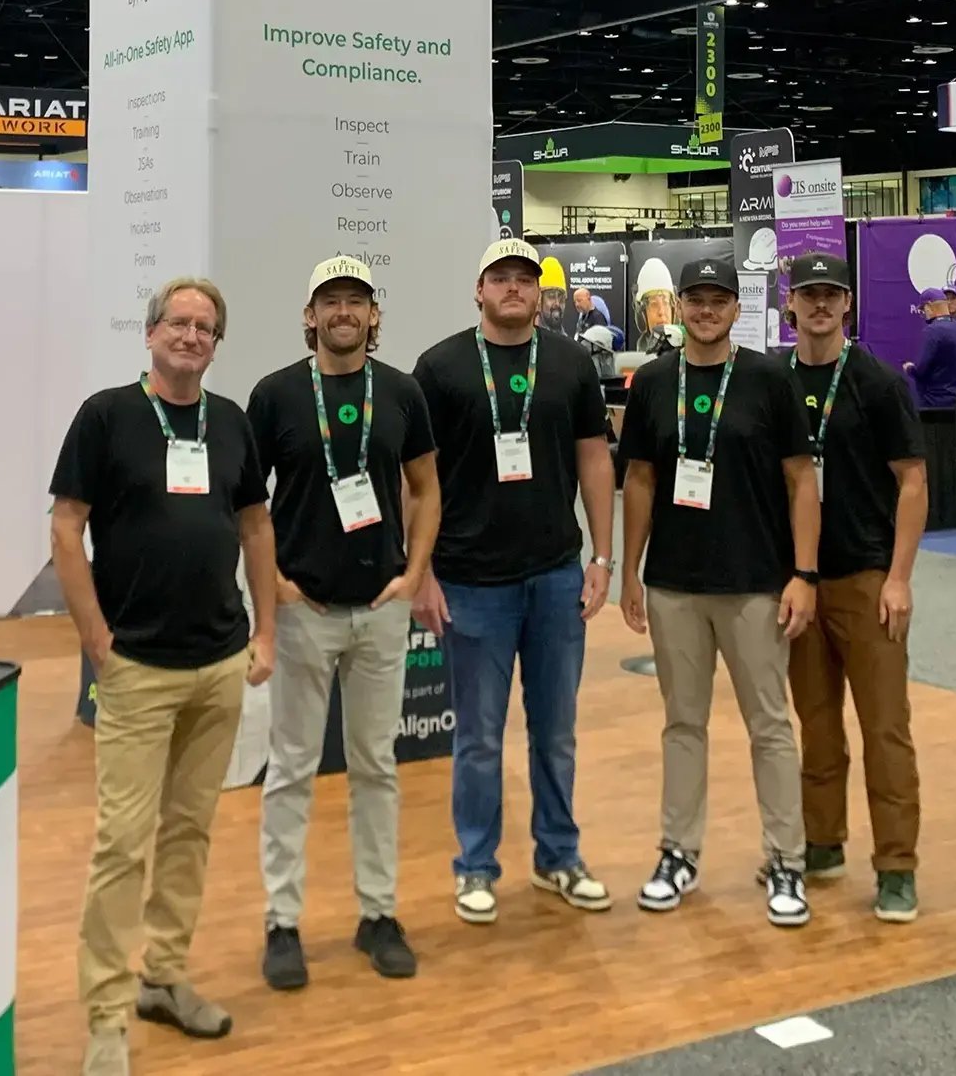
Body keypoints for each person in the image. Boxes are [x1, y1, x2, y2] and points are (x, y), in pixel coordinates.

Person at [51, 276, 278, 1076]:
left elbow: (255, 525)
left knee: (189, 834)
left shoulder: (232, 423)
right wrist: (95, 639)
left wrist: (266, 630)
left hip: (216, 664)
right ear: (150, 335)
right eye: (178, 323)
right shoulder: (107, 416)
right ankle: (106, 1017)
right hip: (137, 666)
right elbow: (66, 526)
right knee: (122, 842)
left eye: (205, 327)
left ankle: (165, 977)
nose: (190, 336)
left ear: (216, 344)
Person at [248, 256, 441, 991]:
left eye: (355, 300)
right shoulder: (275, 396)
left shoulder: (401, 393)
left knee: (376, 767)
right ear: (309, 317)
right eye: (329, 300)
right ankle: (282, 921)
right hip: (306, 613)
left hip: (381, 610)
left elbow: (426, 488)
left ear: (373, 316)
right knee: (292, 768)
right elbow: (249, 506)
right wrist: (276, 587)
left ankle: (378, 913)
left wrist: (414, 572)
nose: (342, 312)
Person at [411, 238, 617, 924]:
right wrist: (424, 573)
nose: (513, 289)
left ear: (540, 292)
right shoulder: (439, 368)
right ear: (478, 291)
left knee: (556, 732)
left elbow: (594, 459)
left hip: (557, 576)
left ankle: (559, 855)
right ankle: (475, 866)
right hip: (471, 583)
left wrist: (602, 558)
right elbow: (421, 481)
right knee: (477, 737)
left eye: (524, 280)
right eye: (499, 278)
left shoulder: (569, 363)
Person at [618, 258, 821, 928]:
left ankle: (786, 859)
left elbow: (801, 481)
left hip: (756, 584)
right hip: (675, 583)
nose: (707, 311)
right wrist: (630, 571)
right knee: (683, 724)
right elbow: (641, 480)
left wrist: (804, 574)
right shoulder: (652, 383)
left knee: (770, 725)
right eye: (696, 300)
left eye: (719, 300)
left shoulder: (769, 379)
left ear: (737, 308)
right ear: (679, 306)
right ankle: (678, 852)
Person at [781, 253, 928, 923]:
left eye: (830, 295)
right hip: (801, 581)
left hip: (867, 579)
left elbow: (914, 482)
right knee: (815, 725)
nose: (819, 305)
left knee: (884, 729)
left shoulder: (875, 382)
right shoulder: (771, 380)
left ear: (847, 306)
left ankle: (897, 867)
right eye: (808, 294)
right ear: (791, 303)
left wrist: (899, 577)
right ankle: (822, 844)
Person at [906, 288, 956, 406]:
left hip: (933, 401)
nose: (923, 313)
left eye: (923, 309)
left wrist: (910, 369)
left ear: (928, 307)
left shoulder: (932, 331)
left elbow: (921, 369)